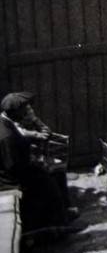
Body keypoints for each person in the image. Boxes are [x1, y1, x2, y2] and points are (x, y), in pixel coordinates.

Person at [0, 92, 71, 231]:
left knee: (55, 173)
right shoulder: (5, 136)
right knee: (48, 181)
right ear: (14, 112)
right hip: (8, 179)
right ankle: (56, 226)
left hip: (15, 168)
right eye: (24, 110)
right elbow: (13, 166)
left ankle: (61, 216)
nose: (27, 112)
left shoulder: (6, 121)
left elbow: (19, 141)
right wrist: (36, 164)